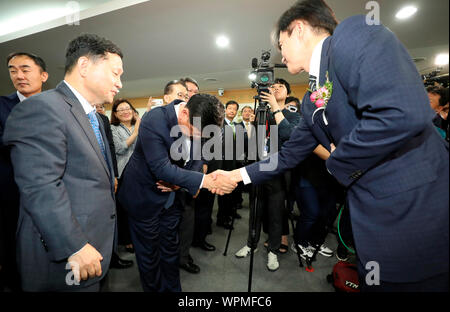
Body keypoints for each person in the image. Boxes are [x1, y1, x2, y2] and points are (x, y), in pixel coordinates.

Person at [219, 0, 449, 291]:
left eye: (281, 43)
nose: (281, 53)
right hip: (373, 217)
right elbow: (289, 154)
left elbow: (400, 111)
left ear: (299, 29)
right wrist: (237, 175)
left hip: (416, 209)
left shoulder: (354, 33)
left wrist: (337, 162)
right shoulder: (310, 97)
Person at [3, 34, 122, 291]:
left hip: (94, 246)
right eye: (115, 73)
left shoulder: (93, 116)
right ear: (84, 66)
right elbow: (40, 185)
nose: (119, 83)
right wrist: (75, 245)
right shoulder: (41, 108)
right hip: (65, 255)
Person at [117, 93, 236, 292]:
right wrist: (204, 181)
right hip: (144, 197)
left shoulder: (204, 123)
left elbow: (200, 156)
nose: (197, 137)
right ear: (184, 113)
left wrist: (180, 183)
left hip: (172, 198)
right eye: (194, 131)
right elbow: (161, 168)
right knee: (149, 256)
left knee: (171, 250)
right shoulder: (154, 119)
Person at [234, 79, 300, 272]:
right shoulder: (263, 113)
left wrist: (274, 105)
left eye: (281, 87)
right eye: (273, 86)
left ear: (287, 93)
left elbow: (289, 134)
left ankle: (273, 250)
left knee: (276, 211)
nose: (276, 88)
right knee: (255, 208)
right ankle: (251, 243)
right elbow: (254, 141)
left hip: (279, 169)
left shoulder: (292, 114)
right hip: (259, 166)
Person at [0, 52, 48, 291]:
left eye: (25, 69)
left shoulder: (57, 106)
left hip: (53, 188)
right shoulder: (1, 106)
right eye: (12, 70)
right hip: (12, 191)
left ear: (43, 75)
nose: (19, 75)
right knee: (12, 244)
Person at [216, 101, 246, 229]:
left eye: (235, 109)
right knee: (224, 192)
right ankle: (222, 219)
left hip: (234, 162)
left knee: (233, 190)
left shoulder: (236, 125)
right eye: (230, 108)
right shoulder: (219, 125)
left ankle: (231, 212)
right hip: (223, 163)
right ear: (225, 110)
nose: (232, 111)